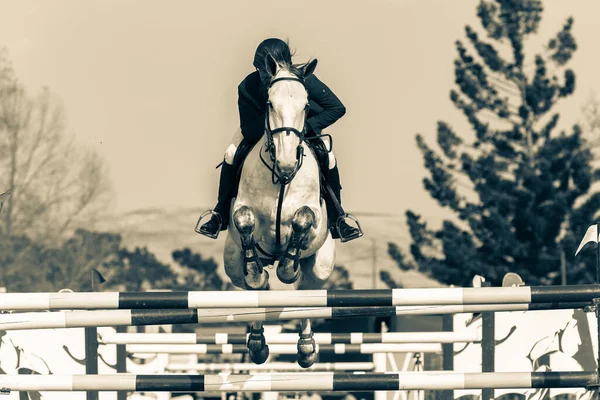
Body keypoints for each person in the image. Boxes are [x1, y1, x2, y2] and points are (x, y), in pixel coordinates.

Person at [196, 38, 362, 242]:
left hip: (301, 130)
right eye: (261, 69)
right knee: (231, 153)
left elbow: (337, 108)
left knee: (329, 156)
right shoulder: (247, 86)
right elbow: (248, 129)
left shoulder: (305, 80)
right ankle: (220, 213)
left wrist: (305, 127)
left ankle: (338, 219)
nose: (264, 75)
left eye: (267, 70)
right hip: (259, 131)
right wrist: (272, 126)